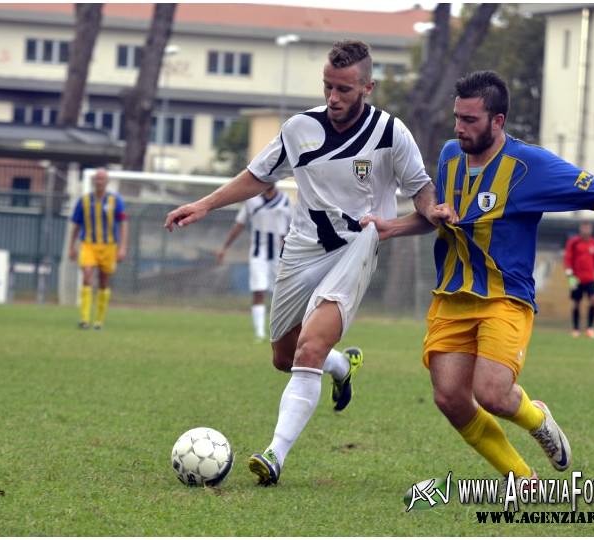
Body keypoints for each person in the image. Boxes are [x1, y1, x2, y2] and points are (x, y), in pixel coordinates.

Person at [363, 71, 594, 486]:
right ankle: (523, 479)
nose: (460, 128)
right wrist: (391, 227)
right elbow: (439, 219)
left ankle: (537, 418)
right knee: (450, 398)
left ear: (498, 121)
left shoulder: (529, 165)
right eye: (457, 118)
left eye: (471, 120)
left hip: (504, 298)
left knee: (493, 394)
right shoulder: (448, 155)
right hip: (451, 297)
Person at [165, 39, 453, 486]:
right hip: (301, 252)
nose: (333, 98)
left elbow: (420, 185)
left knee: (309, 349)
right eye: (328, 87)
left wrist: (431, 209)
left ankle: (273, 456)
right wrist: (204, 205)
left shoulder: (391, 134)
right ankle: (342, 366)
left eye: (344, 89)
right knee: (284, 357)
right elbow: (256, 176)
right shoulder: (299, 128)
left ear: (368, 87)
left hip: (355, 249)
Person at [215, 184, 292, 342]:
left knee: (283, 294)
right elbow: (239, 224)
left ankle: (282, 332)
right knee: (258, 290)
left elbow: (293, 227)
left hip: (280, 254)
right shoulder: (252, 201)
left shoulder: (285, 200)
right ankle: (259, 333)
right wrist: (225, 247)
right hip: (259, 253)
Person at [68, 168, 128, 330]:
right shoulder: (84, 201)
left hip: (109, 246)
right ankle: (84, 319)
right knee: (87, 276)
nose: (99, 181)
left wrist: (122, 247)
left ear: (107, 182)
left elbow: (123, 224)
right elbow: (76, 225)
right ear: (93, 181)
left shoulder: (116, 201)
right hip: (88, 244)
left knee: (103, 281)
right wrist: (71, 247)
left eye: (103, 179)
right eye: (97, 179)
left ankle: (99, 321)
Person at [564, 221, 594, 338]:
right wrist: (570, 275)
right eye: (584, 228)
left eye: (588, 228)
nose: (586, 231)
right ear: (580, 229)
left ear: (591, 230)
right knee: (576, 303)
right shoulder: (574, 242)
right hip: (576, 278)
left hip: (591, 278)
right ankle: (575, 329)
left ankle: (590, 328)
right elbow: (568, 258)